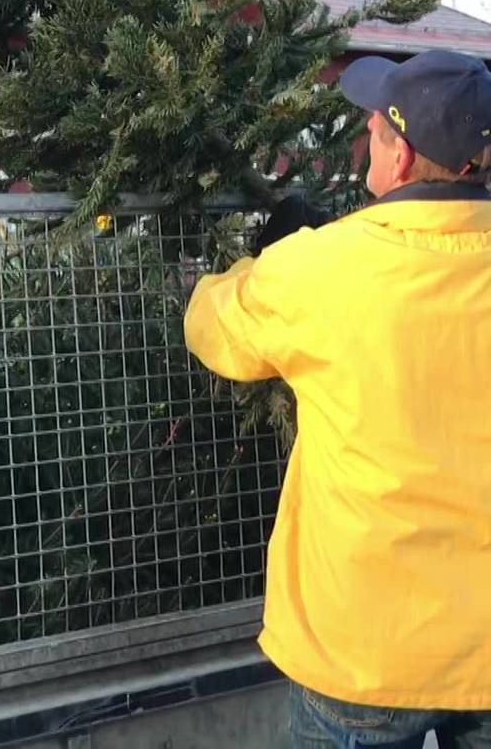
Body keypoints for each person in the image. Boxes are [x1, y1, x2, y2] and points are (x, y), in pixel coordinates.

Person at [183, 49, 491, 748]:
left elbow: (213, 327)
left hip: (367, 649)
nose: (364, 143)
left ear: (402, 159)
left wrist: (276, 255)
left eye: (375, 130)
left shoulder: (324, 268)